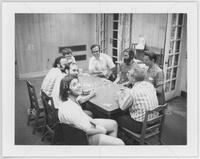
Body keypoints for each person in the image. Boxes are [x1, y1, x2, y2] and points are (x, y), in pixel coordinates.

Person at [58, 75, 124, 145]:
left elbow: (83, 115)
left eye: (78, 82)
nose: (79, 85)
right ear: (68, 91)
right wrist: (101, 130)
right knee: (120, 143)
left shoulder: (70, 100)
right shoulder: (71, 109)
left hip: (82, 128)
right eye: (74, 85)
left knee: (113, 124)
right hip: (82, 138)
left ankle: (108, 150)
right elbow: (86, 130)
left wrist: (94, 122)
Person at [116, 67, 159, 133]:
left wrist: (119, 96)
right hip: (154, 121)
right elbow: (142, 94)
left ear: (133, 79)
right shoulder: (150, 85)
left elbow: (122, 107)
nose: (127, 75)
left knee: (117, 118)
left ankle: (125, 139)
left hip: (141, 126)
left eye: (129, 74)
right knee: (129, 110)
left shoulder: (133, 92)